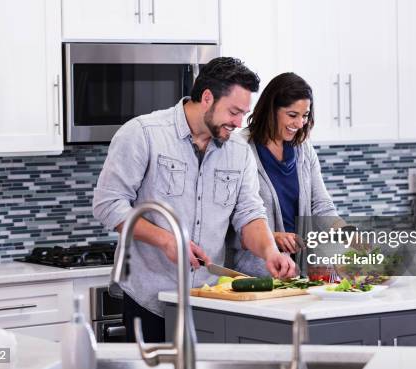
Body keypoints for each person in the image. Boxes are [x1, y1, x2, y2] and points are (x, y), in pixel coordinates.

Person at [92, 57, 297, 343]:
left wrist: (270, 252)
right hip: (149, 298)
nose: (239, 123)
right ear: (207, 98)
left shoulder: (238, 150)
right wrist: (167, 240)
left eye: (243, 114)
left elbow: (249, 214)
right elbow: (108, 205)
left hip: (208, 301)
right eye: (234, 112)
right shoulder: (143, 134)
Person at [231, 72, 347, 277]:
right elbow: (227, 223)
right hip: (259, 276)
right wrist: (271, 238)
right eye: (292, 115)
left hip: (301, 273)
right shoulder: (239, 148)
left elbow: (321, 206)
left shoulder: (303, 150)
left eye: (305, 115)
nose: (300, 123)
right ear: (271, 110)